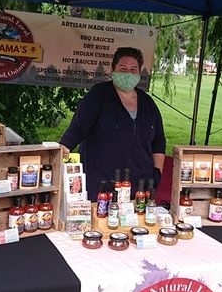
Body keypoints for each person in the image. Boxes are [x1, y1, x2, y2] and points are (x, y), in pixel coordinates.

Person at [60, 47, 166, 202]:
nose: (128, 73)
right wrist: (60, 151)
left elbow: (159, 141)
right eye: (123, 68)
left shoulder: (148, 103)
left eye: (133, 69)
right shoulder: (99, 94)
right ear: (113, 70)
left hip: (139, 186)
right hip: (102, 183)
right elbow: (77, 128)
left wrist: (156, 173)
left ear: (139, 72)